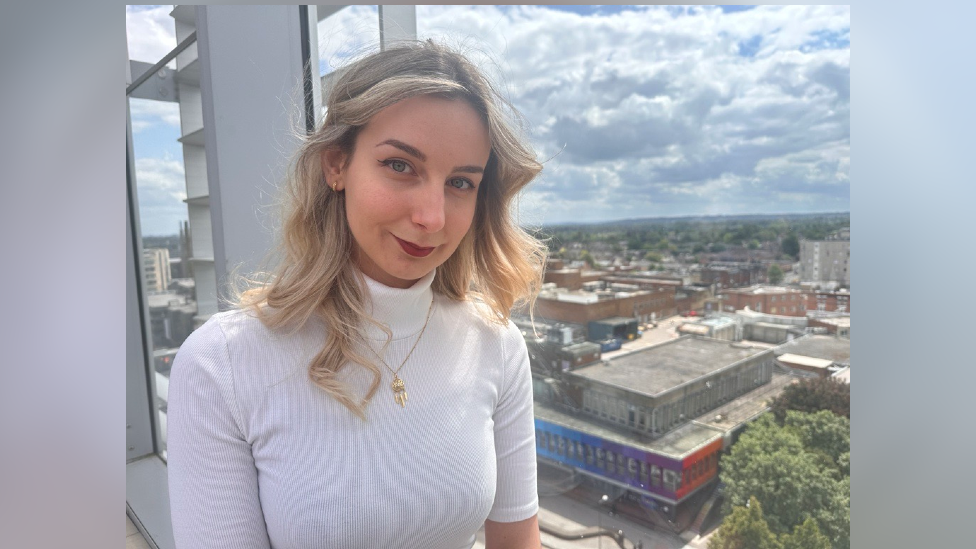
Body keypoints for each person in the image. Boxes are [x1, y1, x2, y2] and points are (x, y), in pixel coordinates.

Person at [167, 40, 547, 549]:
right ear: (336, 165)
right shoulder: (223, 365)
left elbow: (516, 542)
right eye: (400, 166)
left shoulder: (495, 343)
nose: (431, 217)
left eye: (460, 182)